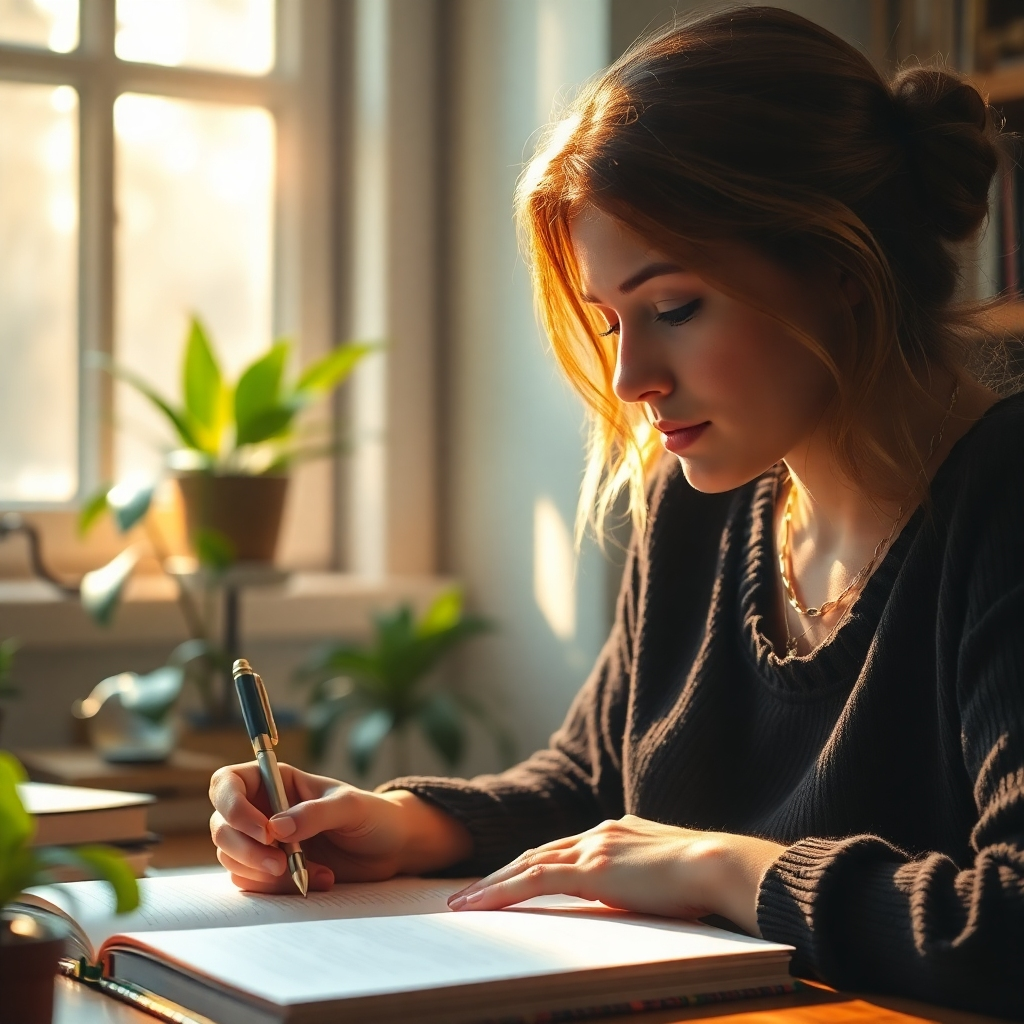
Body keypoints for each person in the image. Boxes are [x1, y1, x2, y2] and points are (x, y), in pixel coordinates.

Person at [209, 7, 1024, 1016]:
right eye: (609, 322)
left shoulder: (1002, 503)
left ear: (838, 267)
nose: (631, 377)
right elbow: (594, 783)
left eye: (673, 308)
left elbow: (1009, 920)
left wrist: (733, 870)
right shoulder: (704, 502)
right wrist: (401, 822)